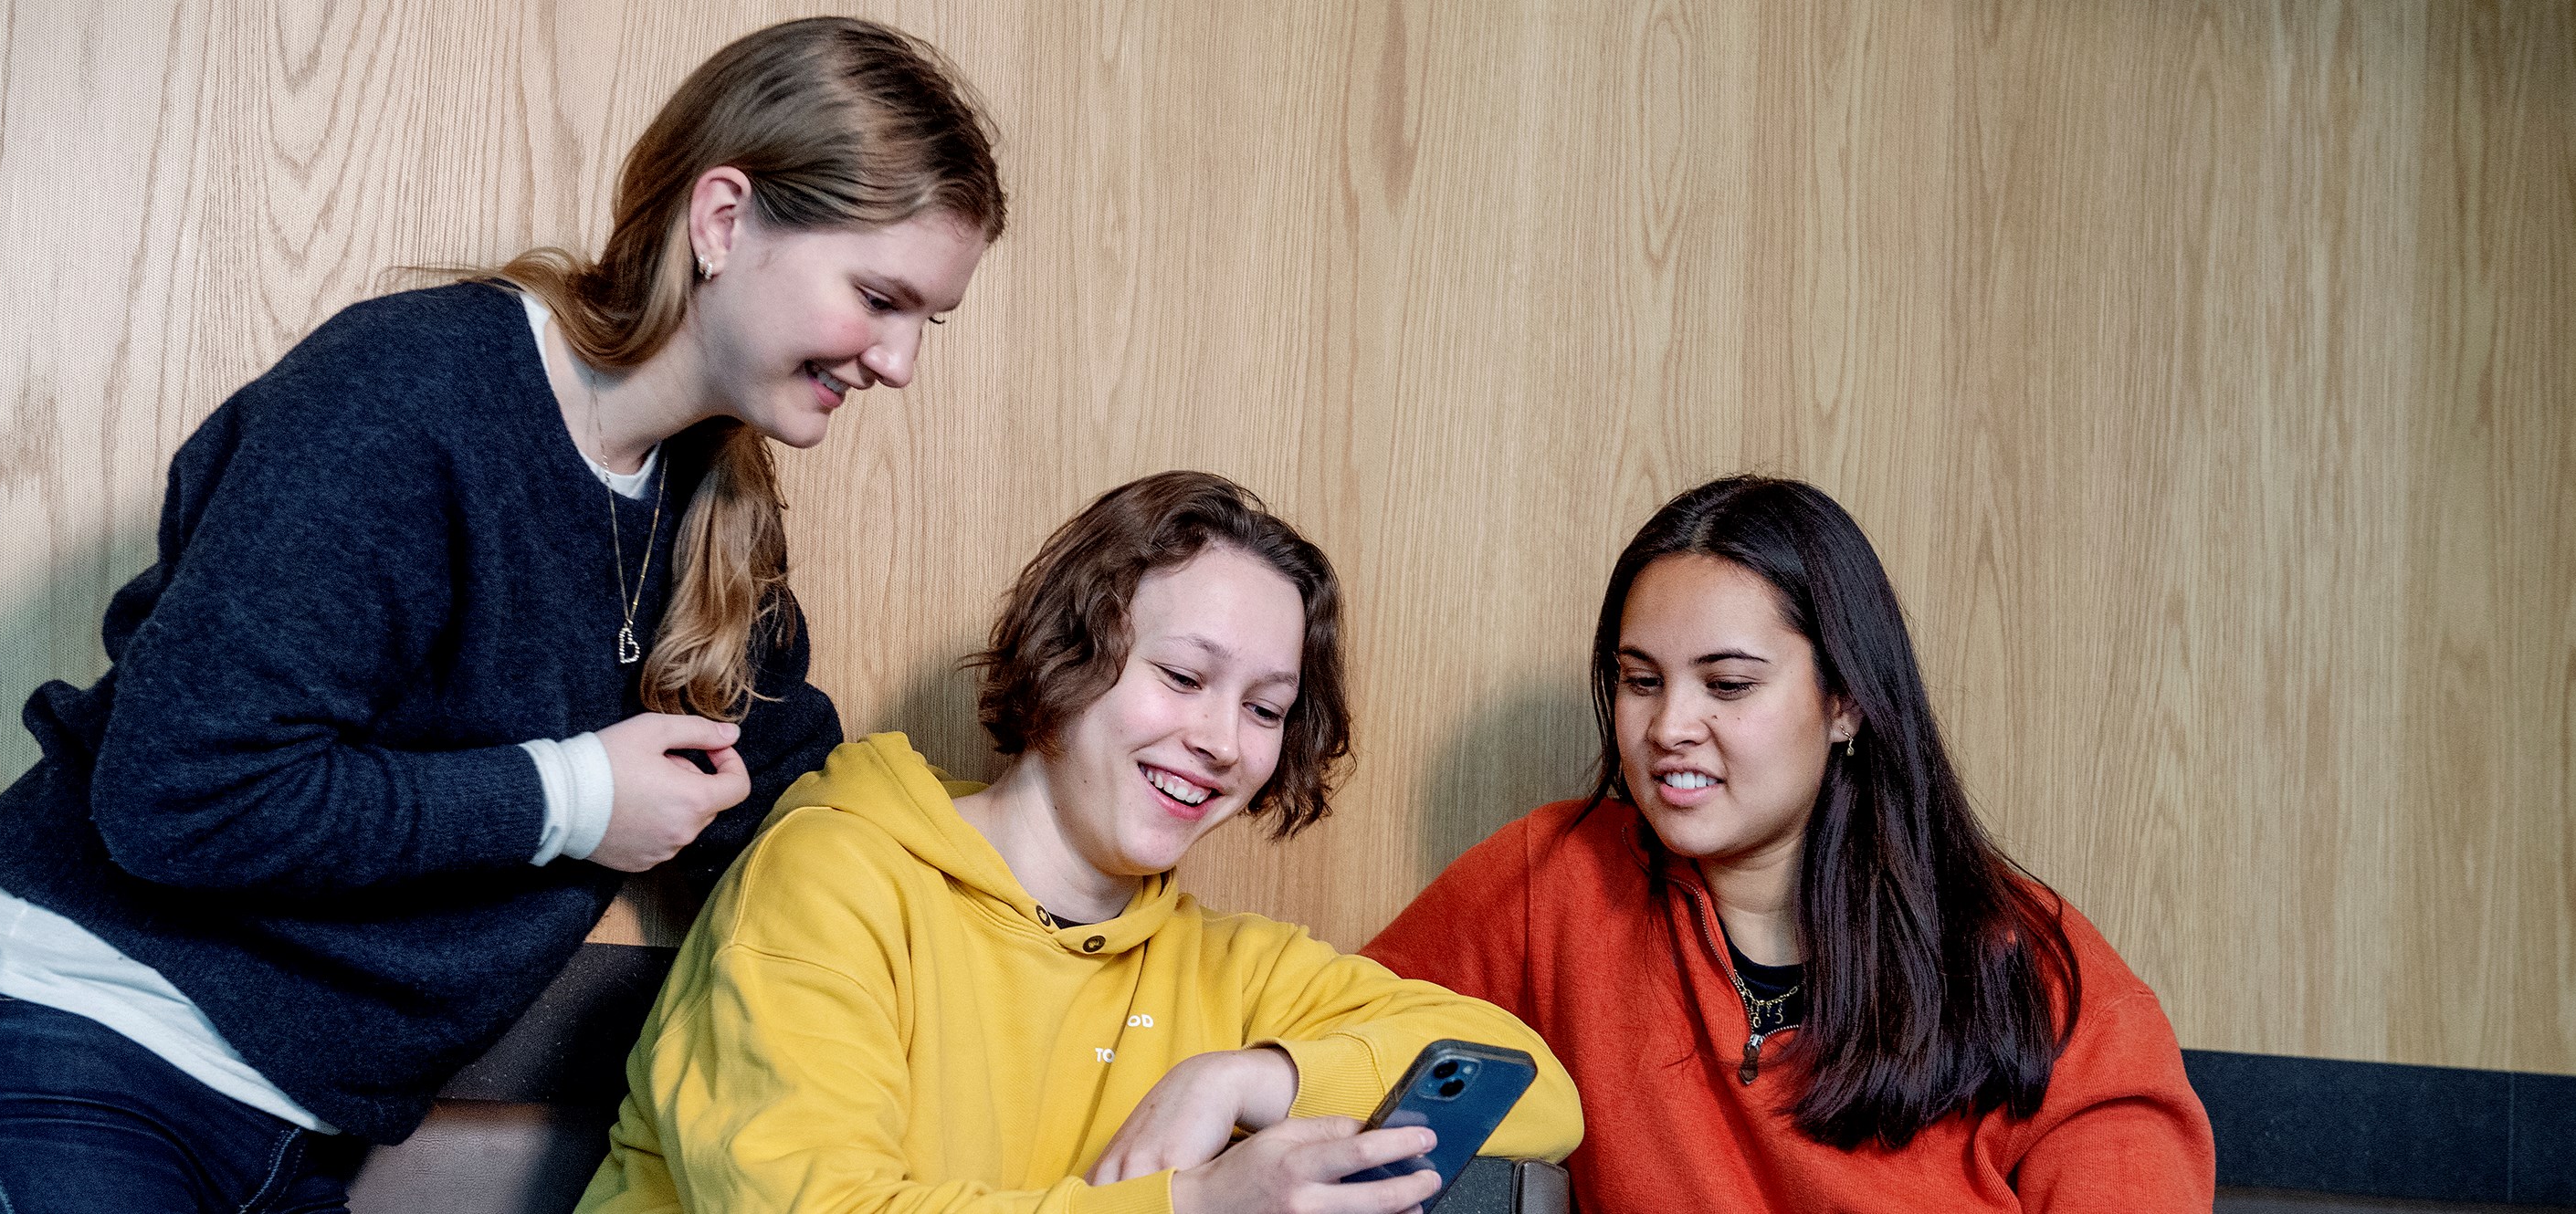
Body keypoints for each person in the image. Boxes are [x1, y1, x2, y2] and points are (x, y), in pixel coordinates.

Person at [0, 16, 1004, 1213]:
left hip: (293, 1133)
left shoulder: (714, 516)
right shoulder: (410, 395)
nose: (901, 363)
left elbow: (797, 810)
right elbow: (179, 794)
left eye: (931, 318)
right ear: (724, 221)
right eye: (881, 297)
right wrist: (574, 797)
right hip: (71, 1031)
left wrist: (1052, 858)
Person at [576, 471, 1583, 1214]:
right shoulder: (833, 872)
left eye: (1267, 709)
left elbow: (1535, 1090)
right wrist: (1195, 1205)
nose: (1221, 742)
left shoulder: (1236, 971)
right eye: (1184, 679)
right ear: (1067, 657)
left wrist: (1247, 1076)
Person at [1363, 476, 2214, 1211]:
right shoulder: (1552, 877)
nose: (1670, 727)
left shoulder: (2036, 972)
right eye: (1640, 681)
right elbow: (1344, 1042)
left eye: (1728, 684)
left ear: (1845, 701)